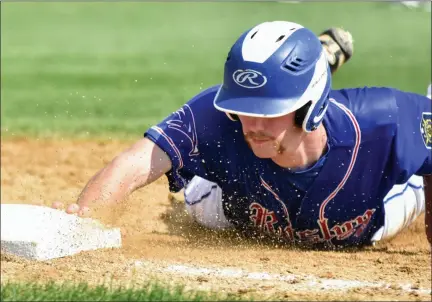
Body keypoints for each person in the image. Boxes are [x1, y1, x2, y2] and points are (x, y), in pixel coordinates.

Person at [53, 21, 431, 250]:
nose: (252, 126)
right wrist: (83, 224)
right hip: (237, 214)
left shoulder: (386, 121)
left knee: (407, 192)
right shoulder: (219, 117)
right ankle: (321, 57)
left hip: (368, 224)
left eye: (268, 111)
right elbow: (137, 161)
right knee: (194, 202)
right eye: (243, 108)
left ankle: (322, 61)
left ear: (309, 104)